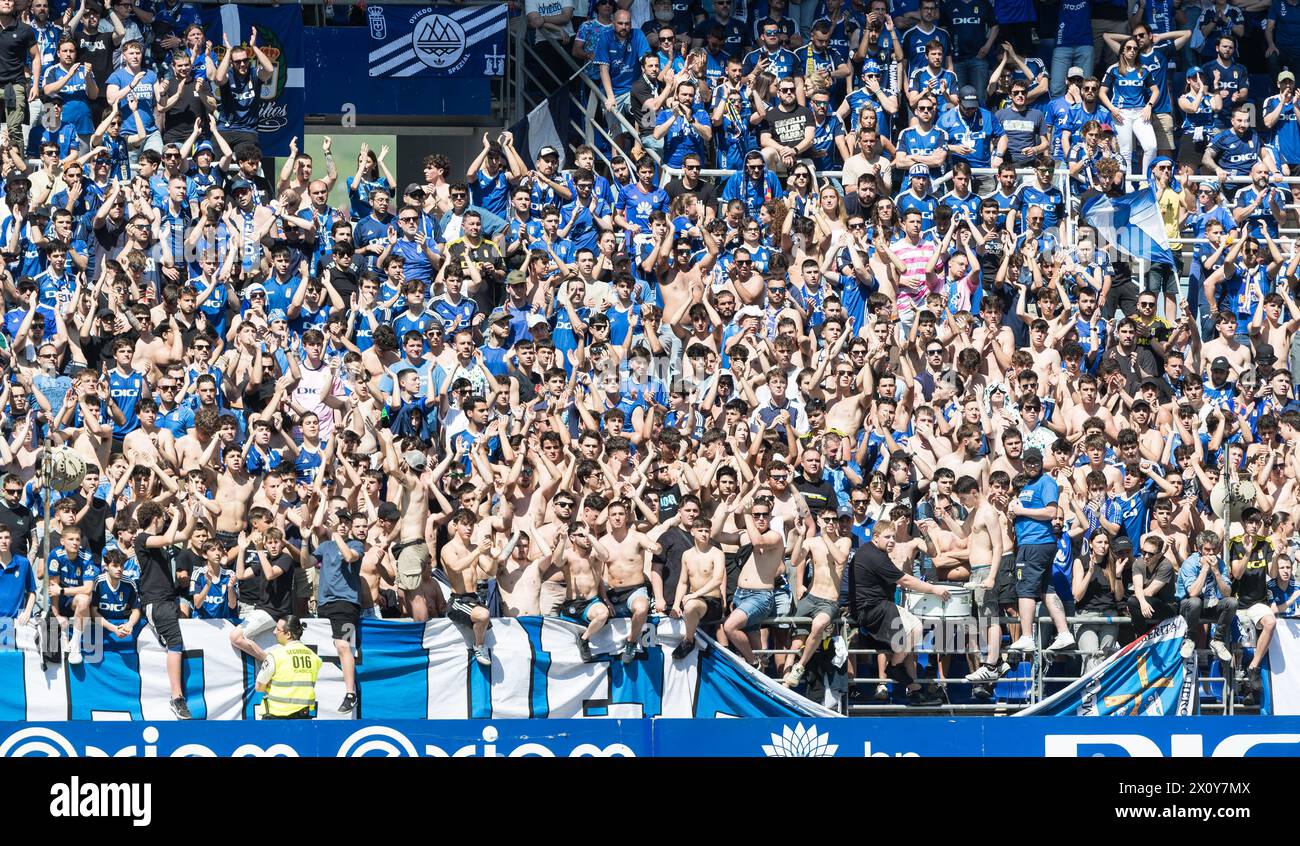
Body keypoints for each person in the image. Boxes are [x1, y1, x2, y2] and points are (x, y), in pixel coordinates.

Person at [255, 615, 321, 719]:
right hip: (303, 716)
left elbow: (259, 687)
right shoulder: (314, 657)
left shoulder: (275, 656)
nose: (274, 632)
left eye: (278, 629)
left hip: (276, 717)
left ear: (288, 634)